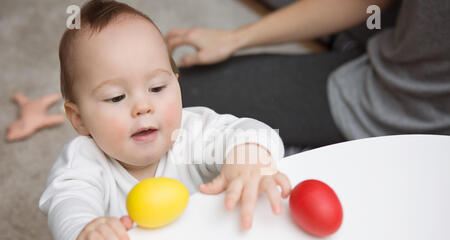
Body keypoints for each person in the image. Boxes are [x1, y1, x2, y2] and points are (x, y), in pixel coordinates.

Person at [39, 0, 291, 240]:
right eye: (116, 97)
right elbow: (67, 201)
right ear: (79, 119)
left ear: (177, 84)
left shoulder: (193, 132)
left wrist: (247, 155)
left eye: (157, 88)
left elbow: (248, 131)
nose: (143, 107)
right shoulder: (83, 161)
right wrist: (86, 231)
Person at [166, 0, 450, 151]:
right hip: (383, 53)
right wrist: (236, 38)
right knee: (173, 102)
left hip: (416, 113)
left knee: (182, 107)